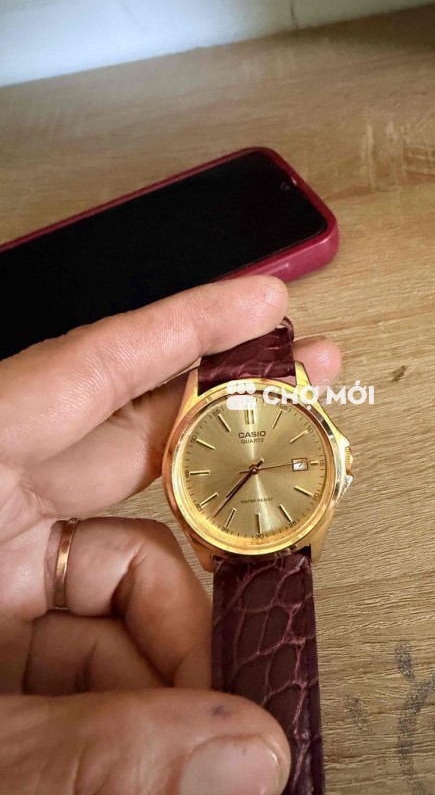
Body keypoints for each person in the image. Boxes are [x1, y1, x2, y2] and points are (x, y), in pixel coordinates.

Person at [0, 276, 341, 795]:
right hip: (233, 536)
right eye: (251, 466)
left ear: (336, 457)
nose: (254, 468)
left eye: (258, 465)